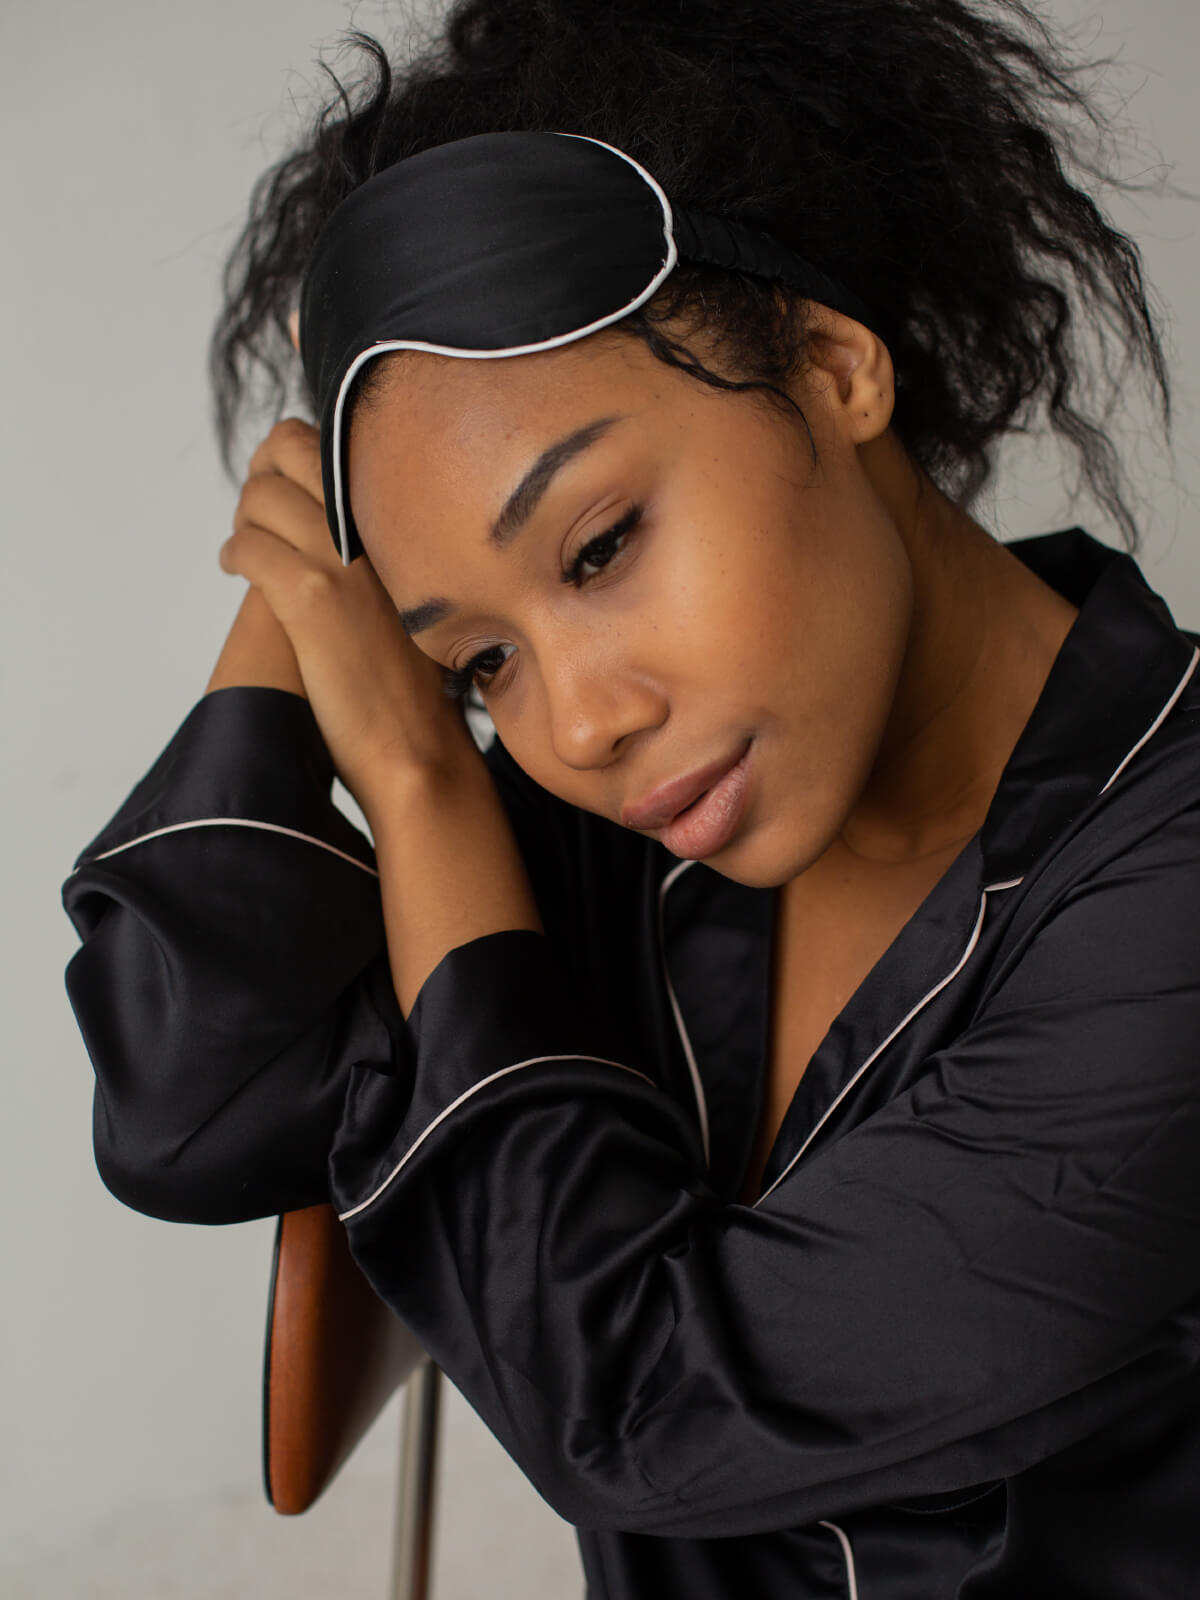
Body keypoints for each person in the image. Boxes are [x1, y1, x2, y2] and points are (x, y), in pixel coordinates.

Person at [61, 0, 1200, 1593]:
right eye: (479, 669)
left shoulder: (1168, 880)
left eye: (600, 549)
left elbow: (647, 1403)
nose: (578, 724)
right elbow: (187, 1107)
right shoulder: (623, 843)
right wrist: (315, 596)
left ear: (833, 363)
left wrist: (420, 781)